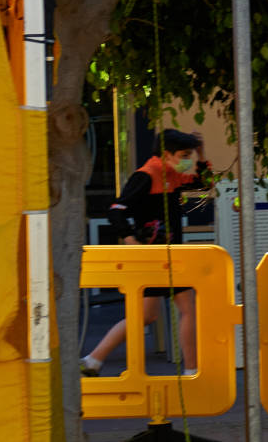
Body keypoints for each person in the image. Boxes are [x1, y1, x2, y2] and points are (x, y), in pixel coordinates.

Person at [79, 129, 208, 376]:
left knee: (145, 315)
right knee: (186, 309)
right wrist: (130, 238)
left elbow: (204, 186)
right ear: (167, 154)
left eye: (189, 155)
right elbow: (115, 210)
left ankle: (94, 360)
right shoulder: (146, 176)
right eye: (184, 155)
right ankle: (191, 370)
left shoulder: (172, 174)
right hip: (156, 256)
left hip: (167, 255)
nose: (187, 161)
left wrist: (202, 156)